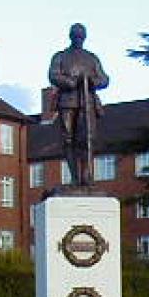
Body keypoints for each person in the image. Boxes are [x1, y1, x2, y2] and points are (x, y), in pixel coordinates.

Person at [48, 23, 108, 186]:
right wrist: (70, 82)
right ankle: (75, 176)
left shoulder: (92, 58)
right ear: (71, 36)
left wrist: (92, 81)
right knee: (68, 139)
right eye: (75, 35)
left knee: (87, 139)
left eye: (81, 36)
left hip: (87, 102)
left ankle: (87, 176)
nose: (78, 39)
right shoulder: (60, 56)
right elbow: (53, 75)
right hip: (67, 101)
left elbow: (104, 79)